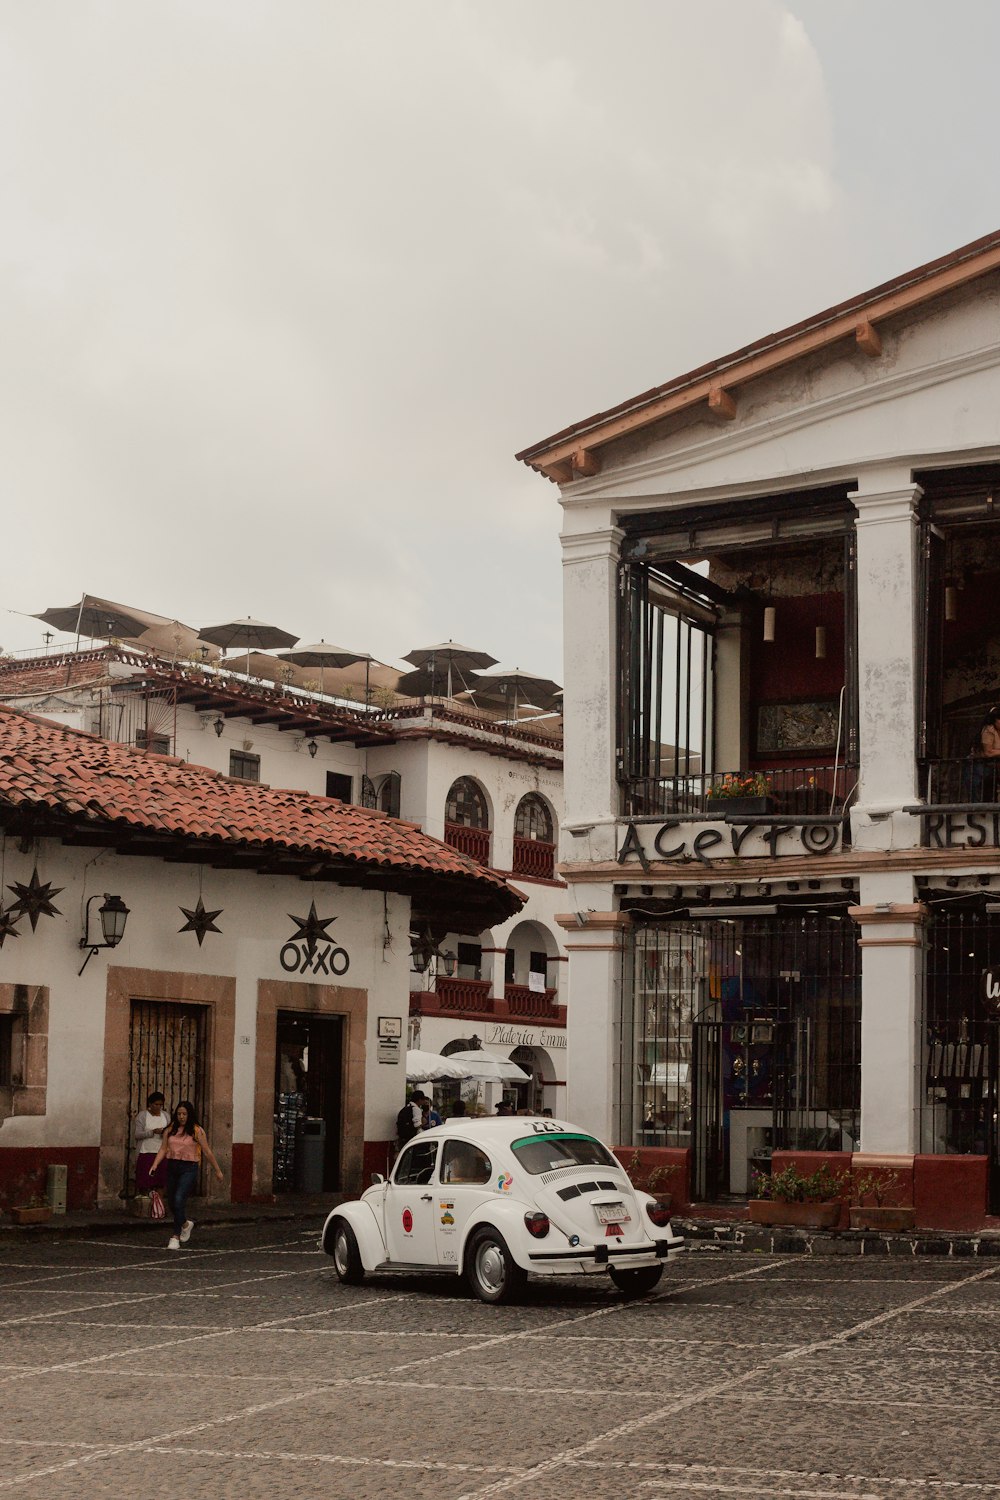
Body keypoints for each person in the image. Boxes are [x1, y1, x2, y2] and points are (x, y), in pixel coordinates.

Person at [149, 1100, 224, 1251]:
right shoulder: (170, 1130)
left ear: (189, 1115)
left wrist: (217, 1170)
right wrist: (155, 1164)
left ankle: (175, 1236)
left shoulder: (197, 1131)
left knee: (179, 1199)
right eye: (179, 1114)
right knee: (171, 1202)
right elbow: (163, 1149)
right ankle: (185, 1224)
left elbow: (207, 1151)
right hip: (172, 1166)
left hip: (189, 1168)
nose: (181, 1117)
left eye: (184, 1114)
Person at [132, 1090, 168, 1196]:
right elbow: (137, 1134)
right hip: (145, 1152)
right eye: (156, 1104)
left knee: (160, 1183)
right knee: (145, 1182)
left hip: (161, 1154)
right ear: (150, 1104)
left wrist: (164, 1133)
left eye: (160, 1105)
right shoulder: (142, 1116)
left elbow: (171, 1132)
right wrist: (151, 1132)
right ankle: (145, 1205)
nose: (158, 1107)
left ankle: (158, 1207)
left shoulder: (166, 1116)